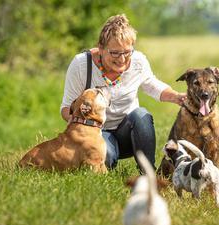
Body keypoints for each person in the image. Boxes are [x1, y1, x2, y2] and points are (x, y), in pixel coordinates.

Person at [60, 14, 185, 171]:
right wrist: (81, 133)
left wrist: (176, 96)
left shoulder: (138, 61)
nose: (122, 59)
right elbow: (66, 108)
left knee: (141, 115)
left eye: (127, 52)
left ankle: (148, 173)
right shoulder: (81, 65)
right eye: (115, 53)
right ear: (101, 48)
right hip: (97, 133)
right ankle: (107, 162)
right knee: (106, 159)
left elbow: (152, 85)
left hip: (131, 135)